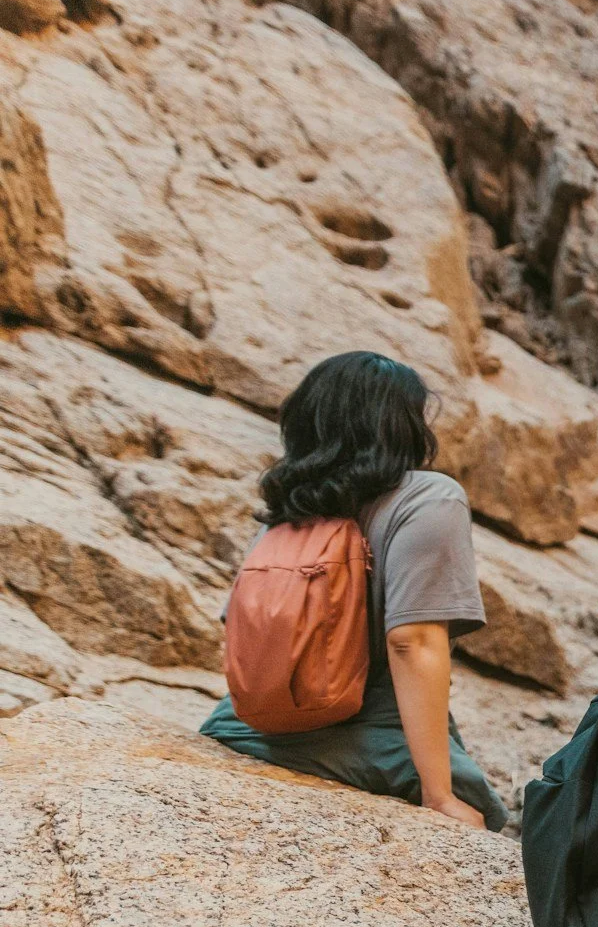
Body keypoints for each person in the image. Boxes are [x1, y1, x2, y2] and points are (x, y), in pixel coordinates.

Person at [202, 353, 504, 830]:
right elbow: (413, 641)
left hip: (238, 727)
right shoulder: (428, 497)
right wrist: (440, 795)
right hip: (364, 734)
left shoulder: (288, 510)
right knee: (483, 809)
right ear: (402, 424)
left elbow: (240, 632)